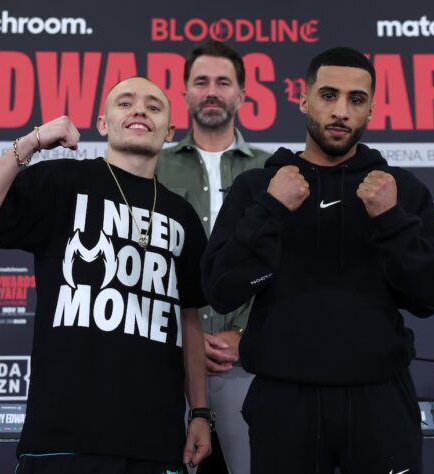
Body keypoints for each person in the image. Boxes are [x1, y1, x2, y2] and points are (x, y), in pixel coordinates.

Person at [201, 47, 434, 474]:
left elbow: (432, 297)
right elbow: (221, 289)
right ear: (303, 100)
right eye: (328, 95)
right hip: (285, 400)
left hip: (379, 400)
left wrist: (391, 220)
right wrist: (272, 209)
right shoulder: (259, 187)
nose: (341, 110)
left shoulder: (400, 190)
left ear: (371, 110)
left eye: (356, 100)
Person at [0, 77, 212, 474]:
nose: (140, 110)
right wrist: (30, 144)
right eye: (126, 103)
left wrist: (201, 412)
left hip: (155, 440)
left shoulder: (183, 216)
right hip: (62, 436)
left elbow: (188, 320)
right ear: (103, 123)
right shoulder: (62, 183)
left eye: (154, 107)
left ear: (170, 131)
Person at [157, 40, 269, 474]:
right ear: (184, 93)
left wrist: (245, 332)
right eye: (200, 81)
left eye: (224, 82)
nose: (211, 91)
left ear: (241, 94)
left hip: (251, 365)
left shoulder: (273, 171)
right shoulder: (154, 168)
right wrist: (185, 340)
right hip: (168, 369)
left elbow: (284, 266)